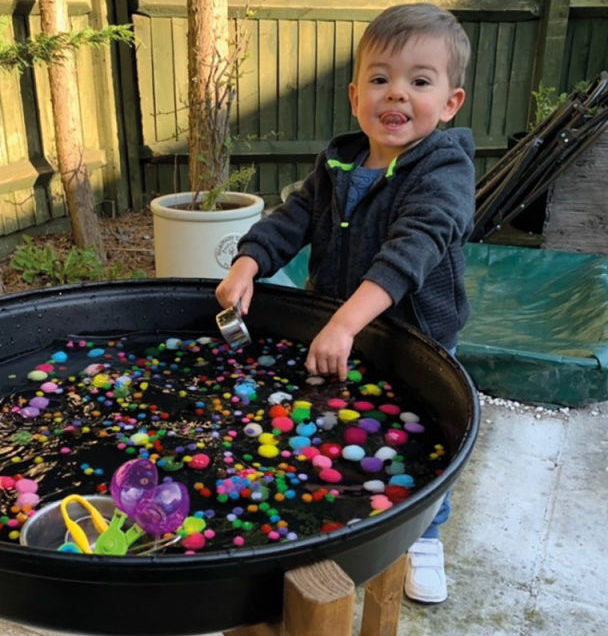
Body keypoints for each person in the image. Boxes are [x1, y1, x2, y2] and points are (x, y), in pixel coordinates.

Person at [215, 2, 473, 604]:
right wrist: (248, 263)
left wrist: (343, 322)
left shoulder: (444, 167)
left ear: (451, 103)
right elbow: (294, 217)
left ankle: (424, 533)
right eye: (381, 79)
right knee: (338, 419)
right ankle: (346, 498)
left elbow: (415, 248)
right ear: (356, 95)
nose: (397, 95)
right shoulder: (339, 161)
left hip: (417, 337)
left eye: (419, 81)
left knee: (426, 439)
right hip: (339, 328)